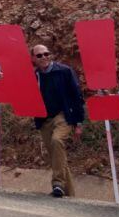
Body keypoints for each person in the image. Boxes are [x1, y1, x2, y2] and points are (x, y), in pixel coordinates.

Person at [31, 44, 85, 197]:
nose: (44, 57)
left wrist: (79, 122)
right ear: (33, 58)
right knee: (56, 155)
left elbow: (77, 96)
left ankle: (57, 183)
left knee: (57, 141)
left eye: (46, 54)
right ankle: (68, 195)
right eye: (39, 55)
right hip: (44, 119)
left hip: (63, 115)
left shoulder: (64, 71)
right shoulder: (34, 76)